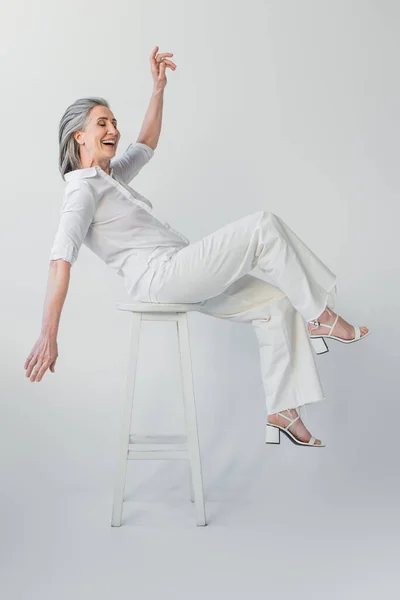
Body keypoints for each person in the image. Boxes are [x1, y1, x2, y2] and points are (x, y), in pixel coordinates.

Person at [24, 46, 370, 447]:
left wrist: (157, 88)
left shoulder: (111, 177)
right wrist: (49, 334)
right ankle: (321, 315)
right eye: (102, 123)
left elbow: (146, 143)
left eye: (114, 122)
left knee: (276, 303)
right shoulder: (81, 191)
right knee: (262, 226)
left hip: (179, 270)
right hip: (161, 278)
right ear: (78, 136)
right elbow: (59, 260)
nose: (113, 130)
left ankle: (283, 408)